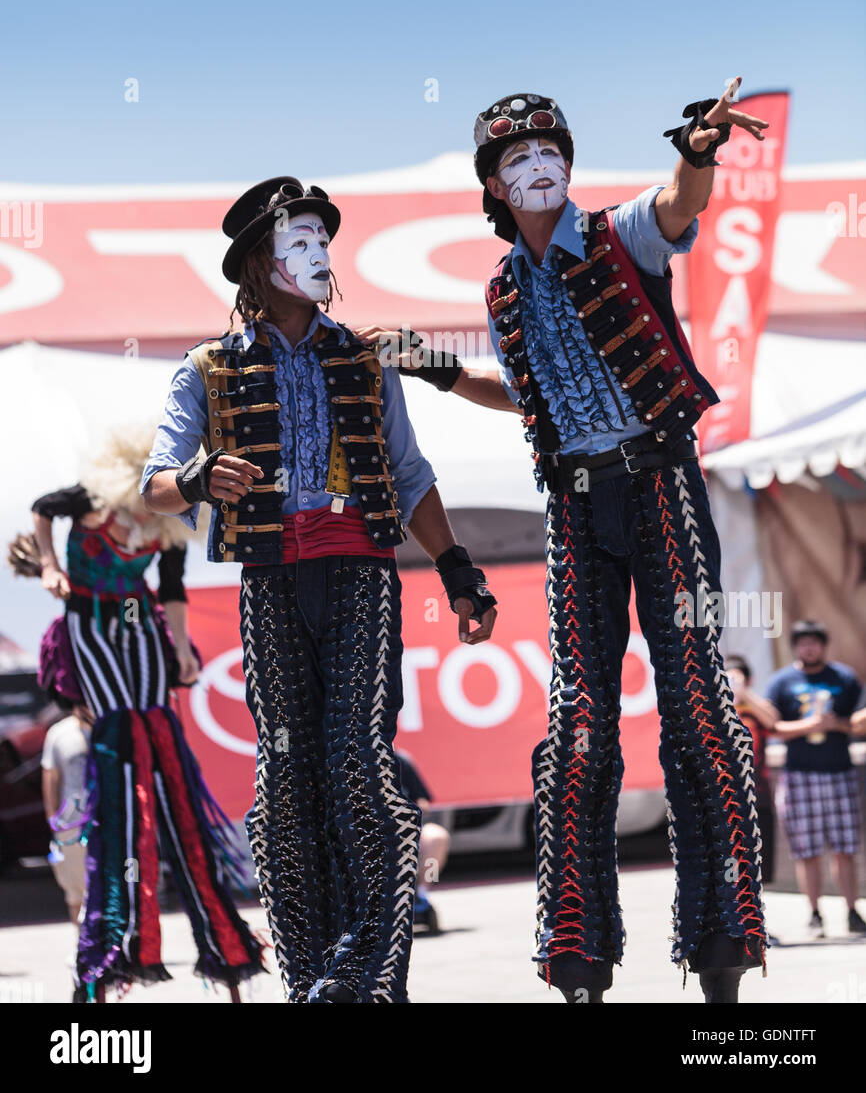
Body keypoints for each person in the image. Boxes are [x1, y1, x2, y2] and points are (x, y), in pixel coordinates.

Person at [375, 83, 770, 1004]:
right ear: (495, 186)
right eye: (517, 159)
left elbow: (680, 204)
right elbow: (527, 392)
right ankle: (579, 964)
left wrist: (699, 152)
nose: (539, 165)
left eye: (550, 149)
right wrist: (430, 367)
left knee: (697, 709)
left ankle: (722, 960)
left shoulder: (619, 233)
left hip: (664, 488)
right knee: (581, 731)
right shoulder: (505, 287)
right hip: (574, 506)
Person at [141, 177, 497, 1004]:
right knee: (287, 774)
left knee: (357, 762)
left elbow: (410, 477)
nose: (317, 254)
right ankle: (310, 974)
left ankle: (368, 967)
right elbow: (155, 483)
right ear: (257, 269)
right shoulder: (206, 369)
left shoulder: (369, 356)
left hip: (358, 574)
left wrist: (460, 574)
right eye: (295, 243)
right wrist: (198, 478)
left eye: (321, 241)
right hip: (269, 581)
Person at [11, 426, 265, 1002]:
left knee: (165, 751)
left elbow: (172, 590)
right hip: (91, 622)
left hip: (140, 626)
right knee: (123, 757)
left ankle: (224, 946)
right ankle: (113, 951)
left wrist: (179, 647)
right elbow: (42, 509)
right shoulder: (93, 499)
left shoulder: (173, 520)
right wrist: (51, 566)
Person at [765, 620, 866, 938]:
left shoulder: (844, 677)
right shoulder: (783, 681)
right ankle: (814, 912)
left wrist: (838, 724)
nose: (809, 648)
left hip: (839, 772)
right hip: (799, 775)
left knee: (845, 848)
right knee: (806, 850)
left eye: (814, 642)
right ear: (796, 647)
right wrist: (809, 726)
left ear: (823, 645)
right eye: (803, 642)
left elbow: (860, 720)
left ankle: (851, 910)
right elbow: (772, 725)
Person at [725, 655, 777, 885]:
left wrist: (744, 693)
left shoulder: (754, 708)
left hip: (757, 795)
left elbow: (773, 721)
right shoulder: (715, 710)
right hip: (725, 798)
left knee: (760, 869)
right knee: (731, 868)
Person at [41, 703, 93, 931]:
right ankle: (81, 944)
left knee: (127, 877)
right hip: (72, 823)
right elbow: (51, 776)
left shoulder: (110, 727)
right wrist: (53, 819)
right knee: (76, 888)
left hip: (111, 822)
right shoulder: (59, 733)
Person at [396, 750, 450, 934]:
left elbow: (423, 799)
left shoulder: (400, 759)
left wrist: (410, 811)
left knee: (437, 837)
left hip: (408, 827)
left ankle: (423, 893)